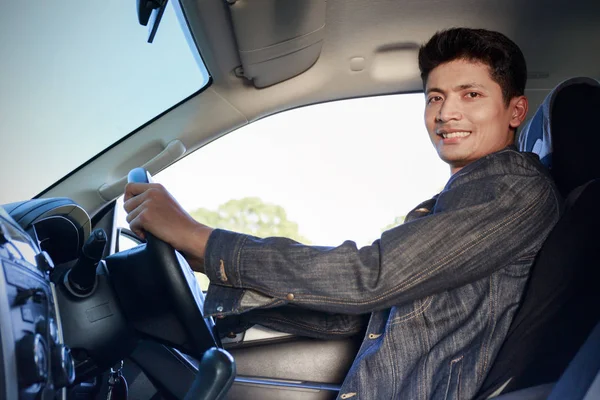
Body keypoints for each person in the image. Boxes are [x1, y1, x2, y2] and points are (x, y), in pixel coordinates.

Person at [123, 28, 561, 399]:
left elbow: (370, 276)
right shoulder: (466, 195)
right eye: (435, 97)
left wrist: (204, 239)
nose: (447, 113)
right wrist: (217, 275)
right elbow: (367, 309)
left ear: (515, 111)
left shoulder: (512, 190)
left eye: (471, 94)